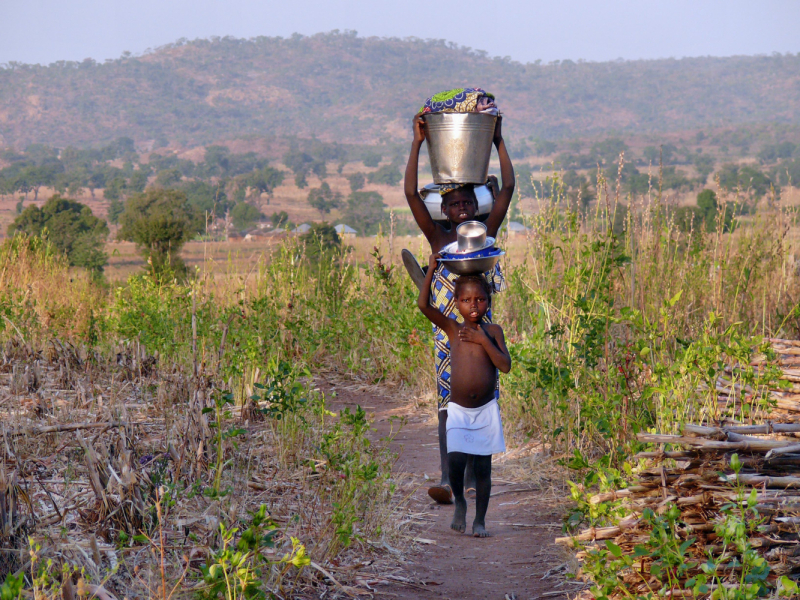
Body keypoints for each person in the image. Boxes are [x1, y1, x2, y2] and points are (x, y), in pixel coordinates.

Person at [403, 112, 515, 504]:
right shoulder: (438, 240)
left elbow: (508, 189)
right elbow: (411, 196)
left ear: (476, 207)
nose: (463, 209)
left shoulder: (487, 236)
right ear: (445, 212)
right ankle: (450, 478)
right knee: (448, 403)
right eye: (455, 205)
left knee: (481, 398)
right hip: (446, 333)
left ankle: (474, 477)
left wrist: (498, 139)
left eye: (469, 202)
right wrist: (417, 143)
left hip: (481, 331)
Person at [417, 254, 511, 537]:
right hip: (458, 409)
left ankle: (479, 520)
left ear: (488, 301)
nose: (474, 306)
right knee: (456, 462)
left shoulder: (493, 331)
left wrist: (483, 339)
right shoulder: (452, 329)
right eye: (467, 301)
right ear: (456, 304)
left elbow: (505, 366)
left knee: (483, 469)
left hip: (485, 411)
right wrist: (432, 271)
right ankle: (459, 502)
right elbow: (423, 305)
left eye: (480, 300)